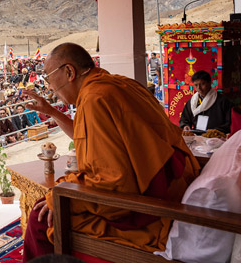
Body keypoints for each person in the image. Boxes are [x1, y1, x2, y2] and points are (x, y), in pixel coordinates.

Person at [21, 43, 199, 260]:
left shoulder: (94, 99)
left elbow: (112, 183)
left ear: (69, 72)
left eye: (49, 77)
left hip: (148, 210)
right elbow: (84, 136)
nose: (49, 86)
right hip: (171, 188)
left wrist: (57, 195)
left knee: (40, 219)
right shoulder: (119, 84)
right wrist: (50, 111)